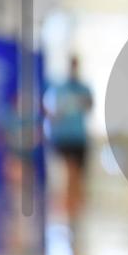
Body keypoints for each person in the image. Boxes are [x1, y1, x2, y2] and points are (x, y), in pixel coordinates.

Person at [43, 55, 93, 223]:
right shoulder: (59, 89)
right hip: (63, 137)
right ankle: (69, 205)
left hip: (78, 137)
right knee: (69, 171)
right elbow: (50, 112)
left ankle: (75, 205)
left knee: (77, 173)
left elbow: (89, 107)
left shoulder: (84, 89)